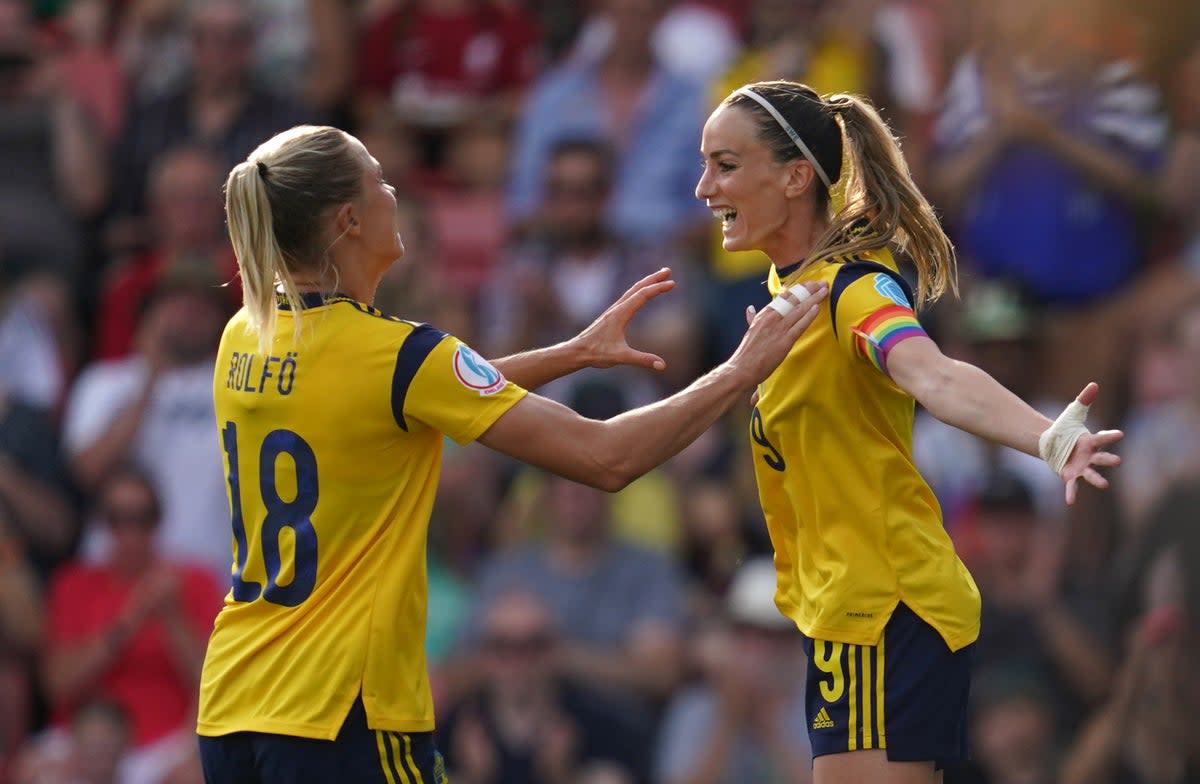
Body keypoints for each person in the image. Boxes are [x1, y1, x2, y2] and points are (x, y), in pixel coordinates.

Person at [196, 123, 826, 783]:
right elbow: (608, 457)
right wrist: (740, 371)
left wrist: (569, 353)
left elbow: (403, 399)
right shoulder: (394, 354)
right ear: (349, 220)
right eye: (379, 180)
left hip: (235, 697)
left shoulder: (246, 332)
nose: (395, 193)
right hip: (339, 712)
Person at [693, 80, 1123, 783]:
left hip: (881, 609)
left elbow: (935, 375)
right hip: (849, 612)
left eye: (726, 164)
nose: (704, 186)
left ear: (797, 176)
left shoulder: (852, 288)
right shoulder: (787, 296)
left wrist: (1051, 438)